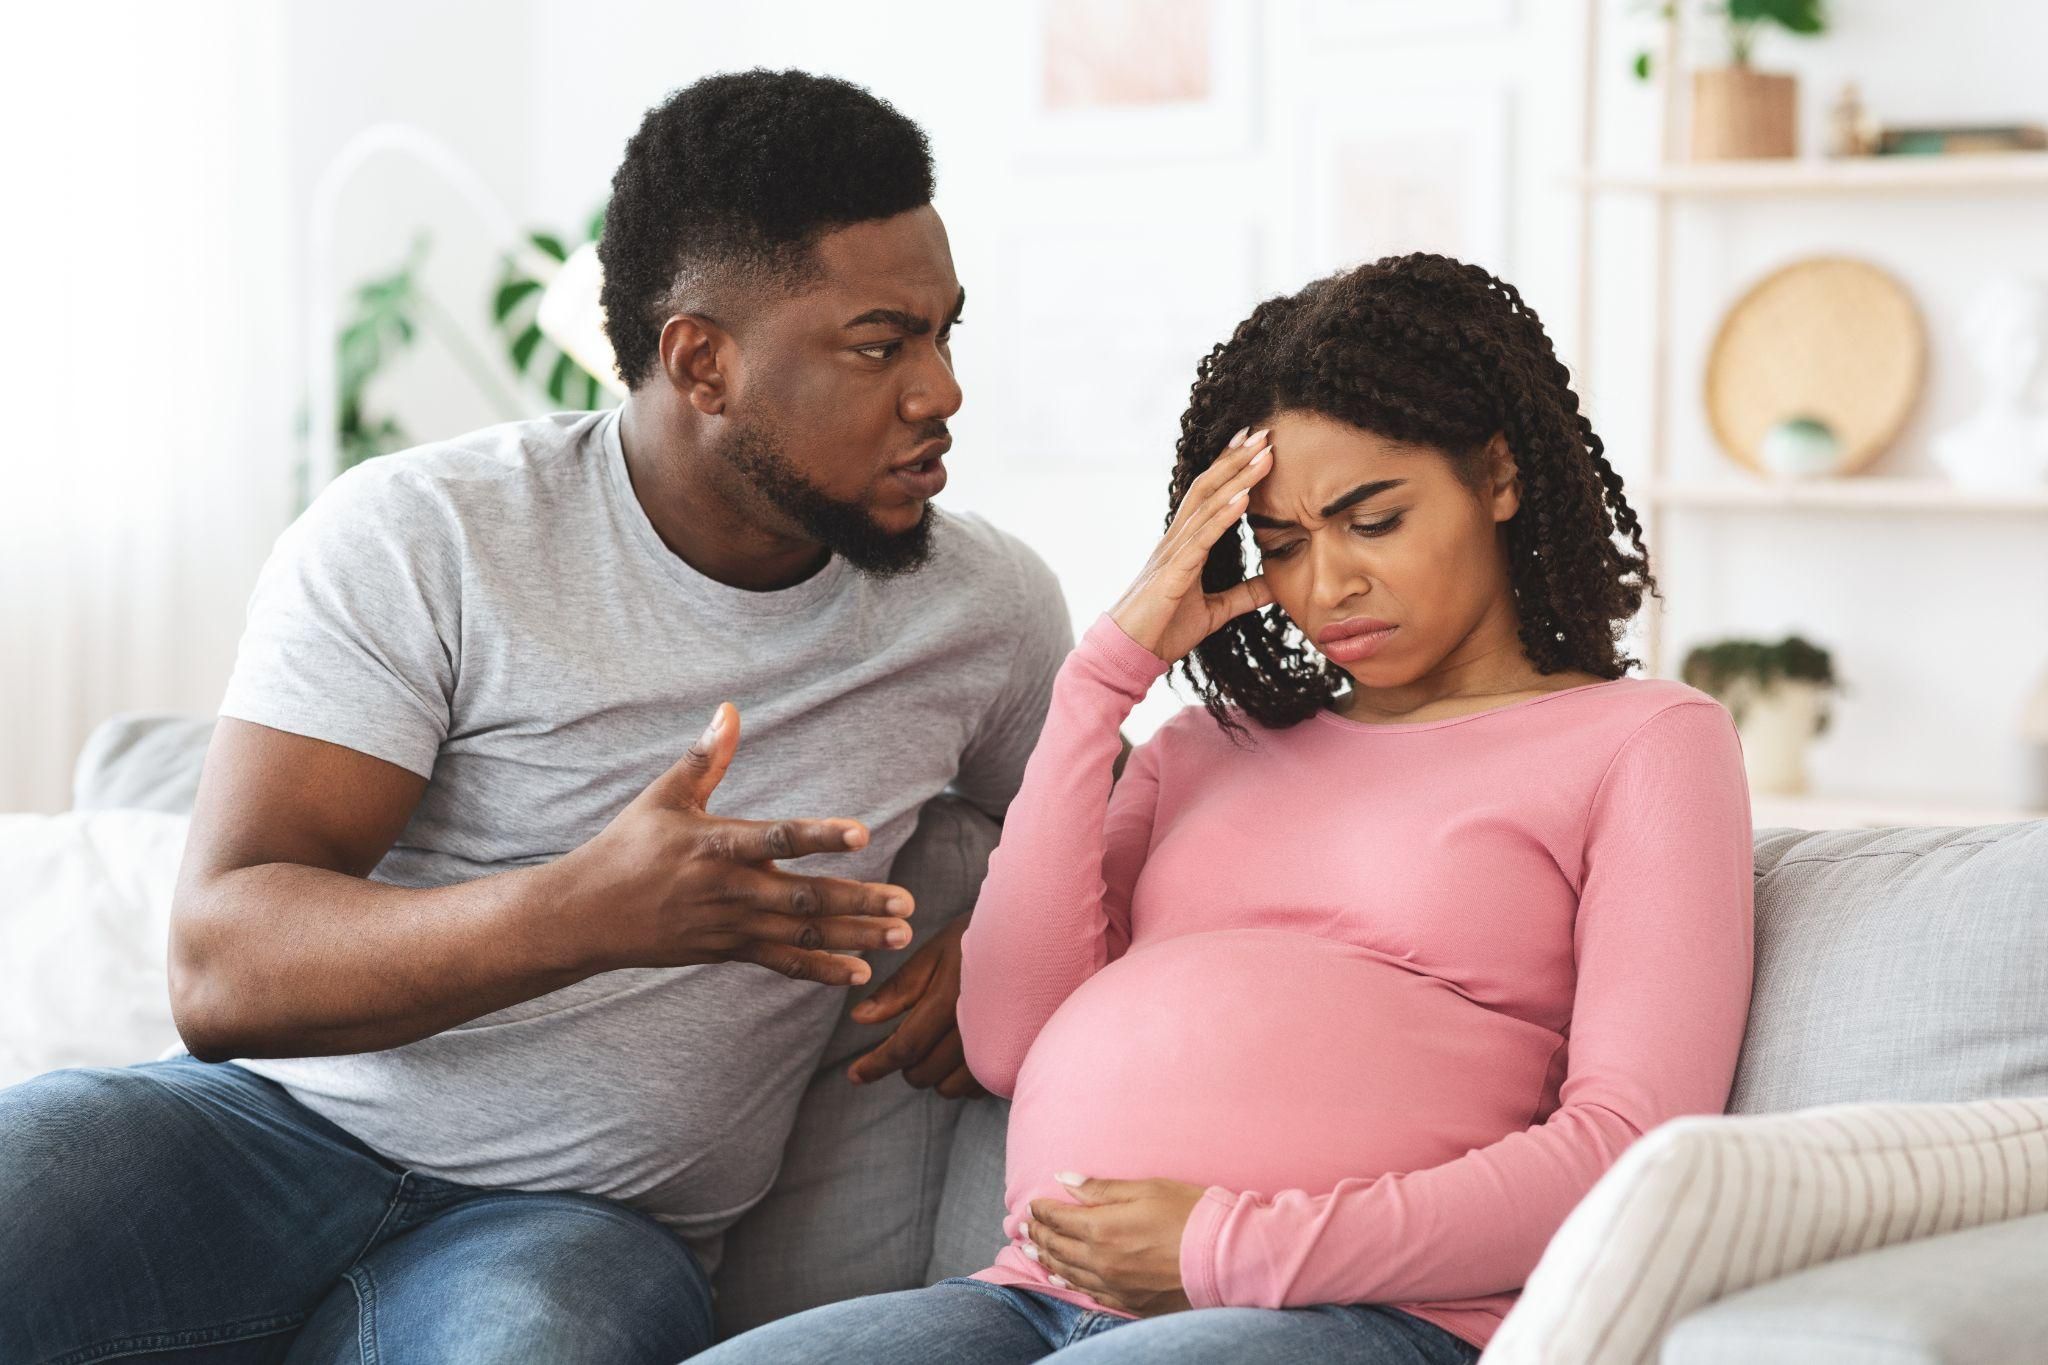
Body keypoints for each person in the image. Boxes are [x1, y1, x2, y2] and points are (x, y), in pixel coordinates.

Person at [0, 69, 1072, 1365]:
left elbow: (1156, 820)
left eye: (947, 333)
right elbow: (225, 966)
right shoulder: (429, 536)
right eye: (880, 342)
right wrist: (590, 912)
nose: (941, 391)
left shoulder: (981, 613)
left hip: (581, 1225)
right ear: (703, 360)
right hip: (261, 1138)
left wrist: (1019, 935)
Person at [694, 252, 1756, 1364]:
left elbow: (1630, 1151)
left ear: (1495, 476)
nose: (1322, 586)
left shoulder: (1640, 742)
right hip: (1027, 1299)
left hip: (1371, 1318)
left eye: (1372, 520)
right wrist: (1100, 681)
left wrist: (1229, 1246)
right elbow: (1007, 1042)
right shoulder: (1198, 750)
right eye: (1282, 543)